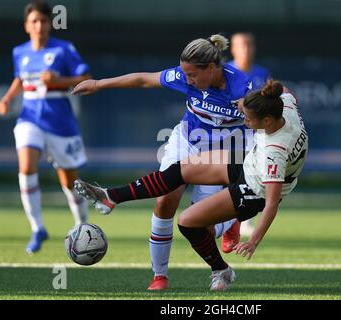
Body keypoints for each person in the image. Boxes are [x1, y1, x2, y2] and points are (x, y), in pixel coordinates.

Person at [74, 80, 308, 291]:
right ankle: (111, 196)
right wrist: (248, 102)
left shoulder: (274, 152)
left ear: (266, 121)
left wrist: (254, 240)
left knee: (187, 222)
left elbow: (270, 204)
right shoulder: (283, 106)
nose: (244, 121)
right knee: (176, 171)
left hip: (254, 189)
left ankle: (221, 269)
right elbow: (284, 90)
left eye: (248, 119)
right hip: (248, 163)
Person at [72, 34, 253, 290]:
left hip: (221, 154)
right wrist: (99, 84)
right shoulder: (186, 76)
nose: (188, 80)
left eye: (193, 75)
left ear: (212, 69)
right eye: (185, 74)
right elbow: (143, 79)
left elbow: (263, 114)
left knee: (203, 226)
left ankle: (230, 223)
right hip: (187, 141)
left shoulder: (240, 87)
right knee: (165, 200)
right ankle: (160, 276)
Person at [0, 0, 91, 254]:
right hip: (30, 118)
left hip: (60, 122)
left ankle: (82, 226)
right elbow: (19, 79)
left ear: (50, 23)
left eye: (43, 21)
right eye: (34, 21)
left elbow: (86, 79)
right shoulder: (20, 52)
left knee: (69, 180)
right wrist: (7, 98)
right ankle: (37, 228)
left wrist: (61, 80)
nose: (39, 25)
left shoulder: (64, 50)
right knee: (26, 167)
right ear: (27, 26)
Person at [228, 32, 271, 236]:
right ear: (233, 49)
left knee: (251, 176)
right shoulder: (224, 71)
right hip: (227, 134)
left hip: (253, 135)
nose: (245, 49)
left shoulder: (261, 73)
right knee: (226, 176)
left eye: (249, 45)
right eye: (241, 45)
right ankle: (222, 218)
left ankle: (243, 220)